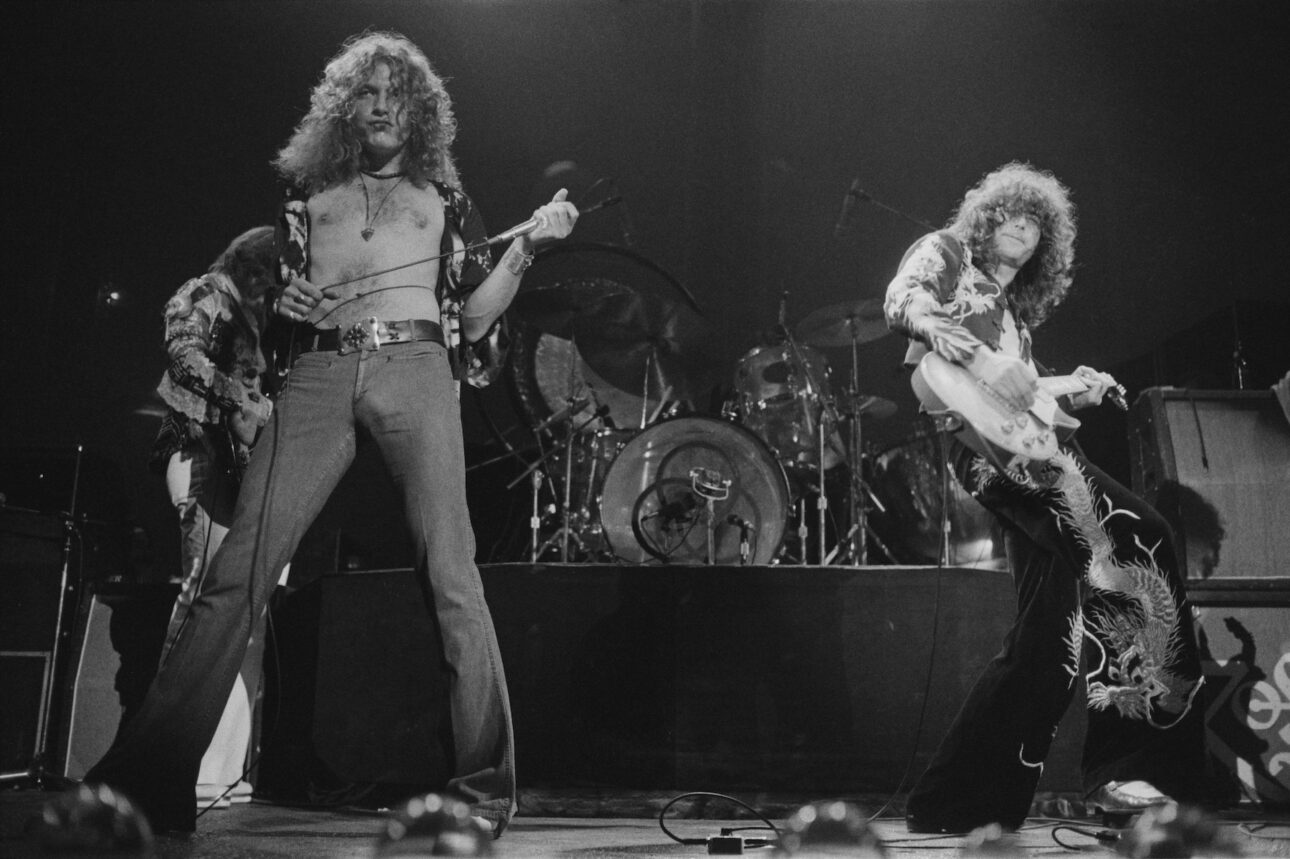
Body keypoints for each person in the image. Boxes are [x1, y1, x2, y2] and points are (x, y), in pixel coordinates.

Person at [85, 31, 577, 836]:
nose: (382, 103)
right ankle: (149, 776)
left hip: (416, 368)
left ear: (417, 110)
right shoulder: (309, 197)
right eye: (368, 91)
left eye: (396, 92)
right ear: (346, 107)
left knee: (451, 574)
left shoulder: (443, 199)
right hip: (315, 376)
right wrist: (284, 308)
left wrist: (526, 248)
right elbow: (271, 307)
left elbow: (476, 315)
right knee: (236, 573)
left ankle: (484, 784)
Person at [883, 162, 1207, 834]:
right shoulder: (945, 254)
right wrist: (978, 355)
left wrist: (1067, 388)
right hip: (999, 462)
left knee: (1047, 647)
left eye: (1039, 226)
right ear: (987, 216)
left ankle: (953, 801)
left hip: (1030, 452)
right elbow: (903, 301)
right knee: (1139, 538)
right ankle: (1129, 768)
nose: (1026, 232)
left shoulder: (1014, 321)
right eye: (1014, 216)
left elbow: (1019, 396)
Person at [150, 226, 277, 809]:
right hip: (201, 452)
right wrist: (242, 400)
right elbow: (183, 357)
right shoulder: (206, 292)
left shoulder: (260, 321)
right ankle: (175, 755)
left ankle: (222, 764)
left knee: (242, 608)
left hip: (241, 465)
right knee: (204, 597)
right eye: (268, 277)